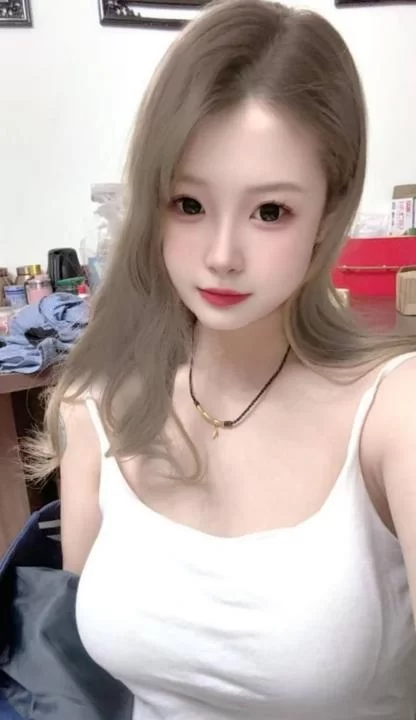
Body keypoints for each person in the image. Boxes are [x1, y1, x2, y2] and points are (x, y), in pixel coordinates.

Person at [32, 0, 416, 717]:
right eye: (188, 203)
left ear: (329, 212)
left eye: (270, 212)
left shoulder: (394, 415)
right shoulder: (98, 405)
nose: (221, 255)